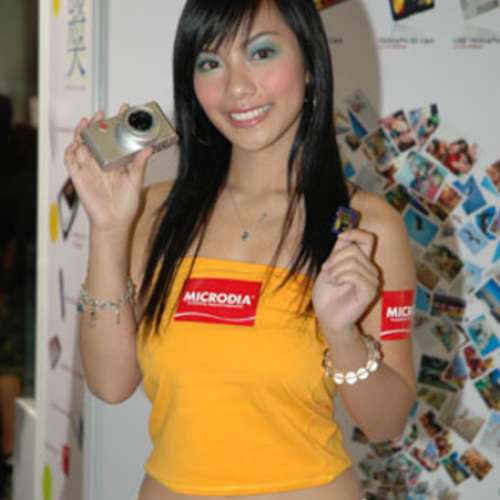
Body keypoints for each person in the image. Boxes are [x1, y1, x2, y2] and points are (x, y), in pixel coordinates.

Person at [64, 1, 416, 499]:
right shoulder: (154, 213)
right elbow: (110, 383)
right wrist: (107, 230)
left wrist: (343, 337)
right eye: (211, 62)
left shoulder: (364, 226)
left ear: (310, 64)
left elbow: (386, 421)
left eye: (261, 53)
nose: (236, 87)